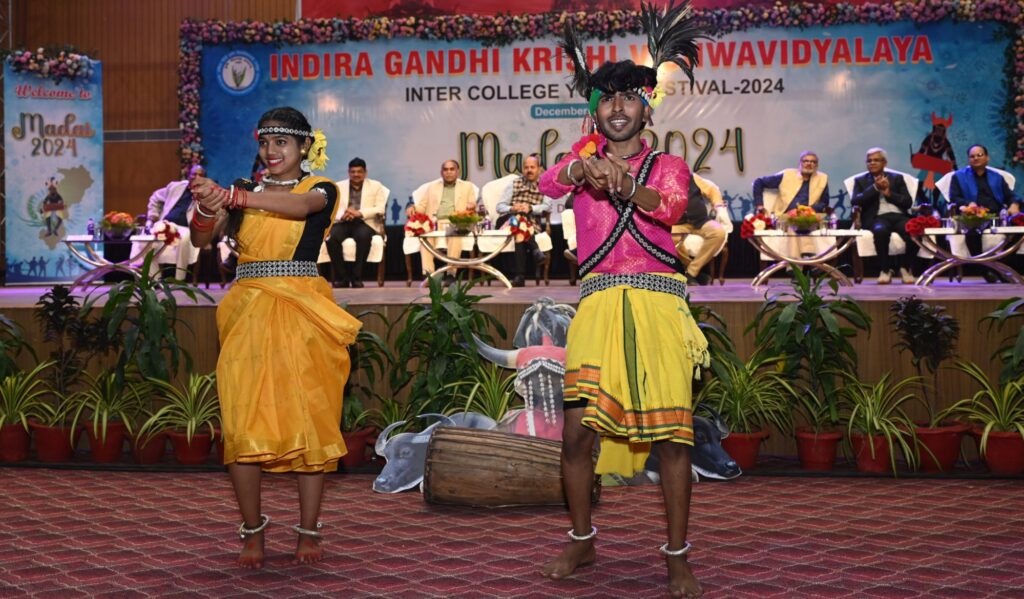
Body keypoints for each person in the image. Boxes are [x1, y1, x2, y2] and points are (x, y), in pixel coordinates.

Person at [538, 4, 709, 597]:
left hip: (659, 306)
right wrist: (579, 169)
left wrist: (628, 186)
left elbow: (672, 206)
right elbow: (548, 183)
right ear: (595, 110)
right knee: (575, 436)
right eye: (606, 98)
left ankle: (678, 556)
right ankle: (582, 538)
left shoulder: (669, 165)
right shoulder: (579, 162)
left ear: (646, 108)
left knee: (672, 439)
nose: (617, 107)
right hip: (598, 307)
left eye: (629, 98)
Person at [188, 107, 362, 569]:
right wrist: (206, 205)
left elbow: (300, 209)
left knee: (310, 418)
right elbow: (202, 240)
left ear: (304, 146)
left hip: (303, 313)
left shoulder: (321, 189)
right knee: (242, 420)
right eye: (265, 142)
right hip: (247, 313)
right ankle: (252, 530)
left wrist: (234, 197)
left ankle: (308, 530)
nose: (271, 151)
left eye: (282, 142)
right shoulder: (243, 189)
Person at [949, 144, 1021, 282]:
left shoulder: (997, 177)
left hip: (996, 216)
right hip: (973, 215)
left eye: (979, 155)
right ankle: (987, 270)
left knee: (1019, 228)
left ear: (987, 158)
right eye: (972, 156)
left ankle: (1002, 267)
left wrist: (1014, 204)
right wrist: (968, 204)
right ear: (969, 160)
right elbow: (954, 198)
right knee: (973, 230)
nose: (976, 158)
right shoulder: (959, 177)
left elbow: (1011, 196)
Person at [850, 148, 915, 284]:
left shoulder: (897, 178)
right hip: (877, 217)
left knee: (914, 230)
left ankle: (905, 267)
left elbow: (907, 202)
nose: (872, 163)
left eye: (876, 160)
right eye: (869, 161)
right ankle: (885, 269)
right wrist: (875, 188)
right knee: (880, 231)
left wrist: (889, 193)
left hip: (899, 216)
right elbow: (855, 201)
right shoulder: (861, 181)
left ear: (884, 162)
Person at [408, 159, 477, 279]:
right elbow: (422, 207)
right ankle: (429, 275)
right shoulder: (432, 187)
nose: (448, 172)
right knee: (425, 237)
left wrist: (471, 205)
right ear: (441, 172)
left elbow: (472, 204)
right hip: (435, 222)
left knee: (455, 235)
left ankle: (451, 274)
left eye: (452, 169)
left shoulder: (467, 186)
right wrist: (413, 207)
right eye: (445, 170)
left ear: (457, 171)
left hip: (455, 222)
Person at [325, 157, 388, 288]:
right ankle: (342, 278)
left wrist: (358, 213)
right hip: (343, 221)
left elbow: (380, 209)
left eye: (359, 172)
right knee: (331, 238)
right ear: (349, 172)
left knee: (363, 236)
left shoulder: (376, 186)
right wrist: (343, 215)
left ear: (365, 172)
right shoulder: (339, 186)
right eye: (353, 172)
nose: (356, 174)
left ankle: (356, 277)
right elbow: (332, 207)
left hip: (365, 222)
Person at [495, 154, 550, 286]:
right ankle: (535, 249)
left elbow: (547, 206)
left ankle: (520, 276)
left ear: (539, 169)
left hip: (531, 224)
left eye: (532, 167)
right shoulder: (514, 183)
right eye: (526, 167)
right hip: (508, 221)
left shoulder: (544, 186)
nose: (529, 170)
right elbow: (499, 206)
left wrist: (531, 208)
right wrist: (512, 208)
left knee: (520, 230)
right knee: (519, 217)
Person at [143, 164, 205, 279]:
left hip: (185, 228)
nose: (197, 177)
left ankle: (179, 279)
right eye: (194, 174)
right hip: (165, 224)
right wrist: (153, 215)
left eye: (200, 175)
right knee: (149, 241)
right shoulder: (175, 186)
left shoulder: (205, 194)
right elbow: (155, 197)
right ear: (188, 175)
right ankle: (155, 279)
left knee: (185, 239)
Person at [674, 174, 726, 286]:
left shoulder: (693, 178)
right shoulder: (663, 180)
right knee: (672, 238)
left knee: (719, 232)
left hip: (700, 220)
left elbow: (712, 189)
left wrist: (718, 205)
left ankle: (691, 272)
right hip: (678, 223)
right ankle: (693, 273)